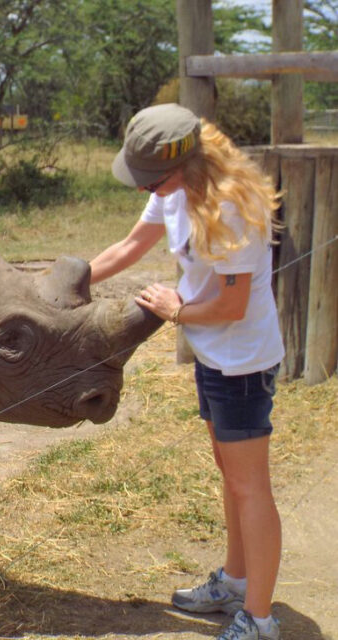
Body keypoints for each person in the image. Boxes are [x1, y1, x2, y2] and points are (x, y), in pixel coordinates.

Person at [89, 103, 284, 640]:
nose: (143, 190)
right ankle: (237, 581)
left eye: (150, 181)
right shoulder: (172, 193)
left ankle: (260, 619)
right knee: (231, 474)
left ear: (182, 166)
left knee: (250, 486)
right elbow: (131, 245)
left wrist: (176, 310)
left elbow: (231, 305)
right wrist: (71, 278)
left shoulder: (230, 205)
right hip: (213, 353)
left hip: (242, 360)